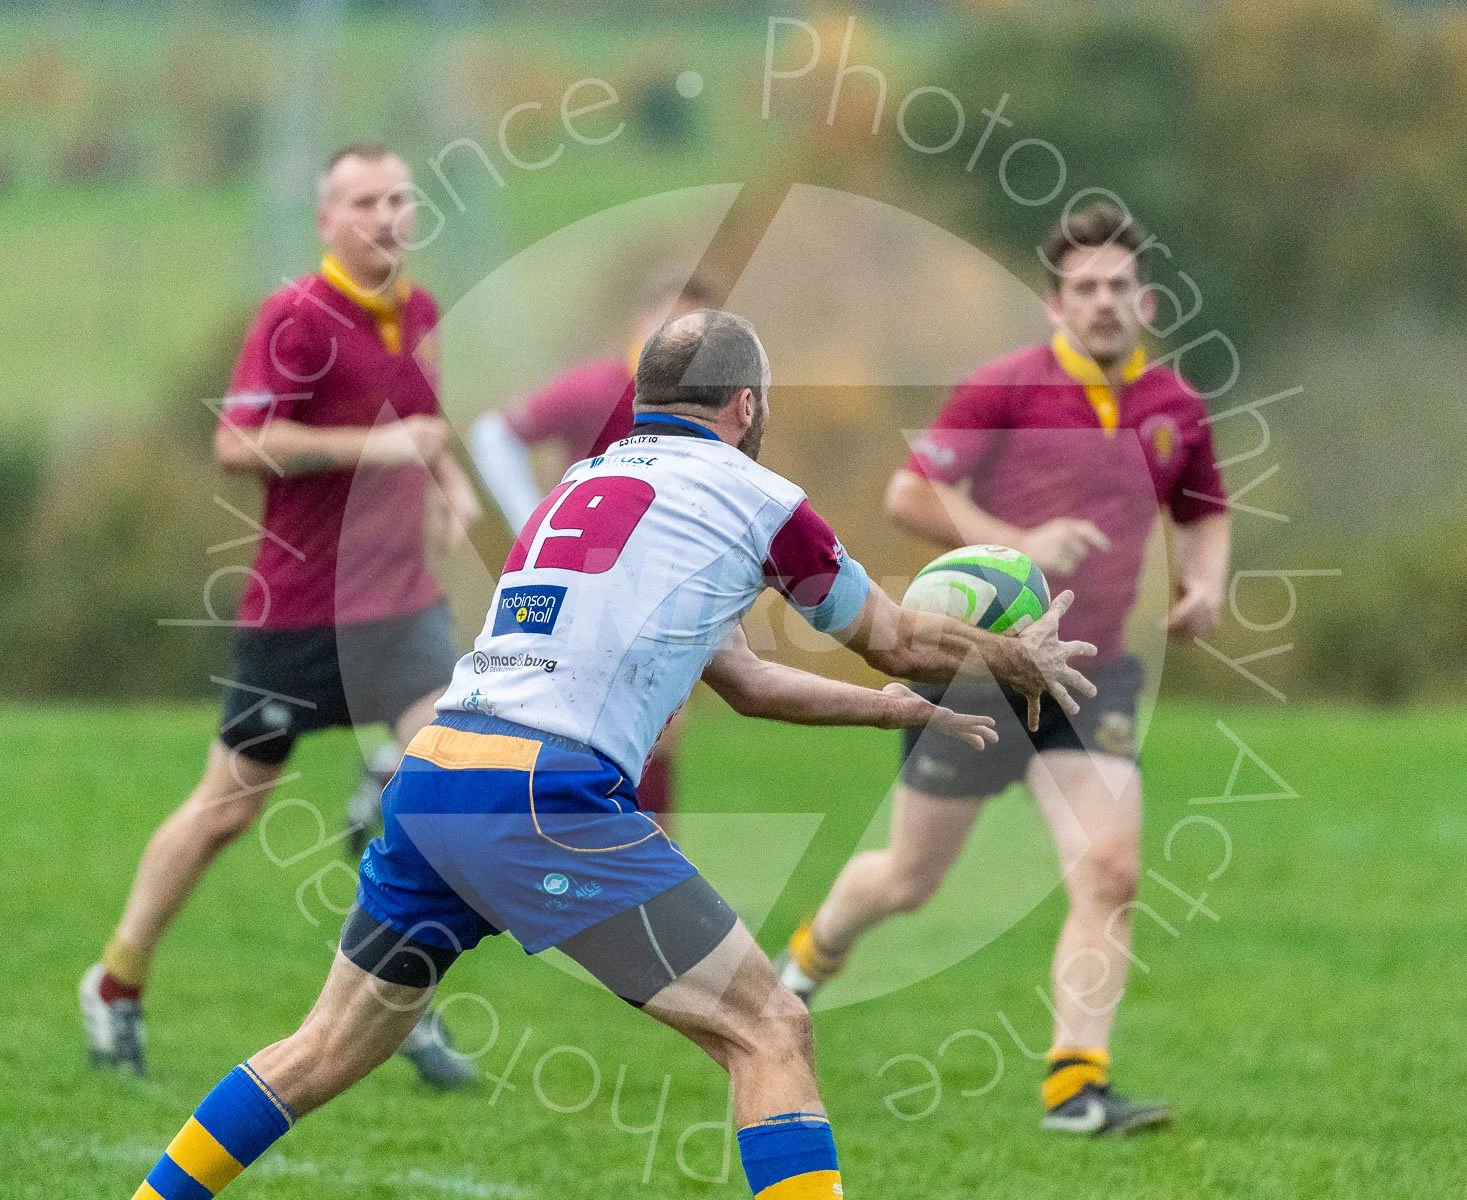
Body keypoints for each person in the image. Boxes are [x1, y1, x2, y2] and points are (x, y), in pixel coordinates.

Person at [127, 309, 1096, 1200]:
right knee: (770, 1028)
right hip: (543, 798)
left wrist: (895, 715)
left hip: (434, 783)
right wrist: (1002, 654)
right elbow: (893, 634)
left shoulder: (581, 488)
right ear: (747, 405)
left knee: (322, 1048)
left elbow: (748, 681)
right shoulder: (759, 499)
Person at [776, 202, 1232, 1136]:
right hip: (980, 677)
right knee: (908, 879)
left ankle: (1075, 1089)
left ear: (1143, 300)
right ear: (1056, 303)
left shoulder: (1174, 407)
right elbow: (911, 494)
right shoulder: (1004, 388)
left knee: (1108, 870)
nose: (1103, 303)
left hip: (1092, 675)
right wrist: (1017, 543)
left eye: (1117, 287)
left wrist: (1206, 585)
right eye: (1084, 288)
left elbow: (1204, 505)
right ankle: (810, 958)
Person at [81, 142, 482, 1089]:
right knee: (227, 808)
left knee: (448, 785)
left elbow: (421, 428)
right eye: (366, 202)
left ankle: (402, 1006)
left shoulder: (418, 311)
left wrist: (448, 483)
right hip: (301, 614)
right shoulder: (295, 317)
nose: (389, 217)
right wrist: (380, 447)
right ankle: (117, 981)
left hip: (401, 608)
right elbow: (239, 442)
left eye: (400, 199)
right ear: (327, 220)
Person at [465, 272, 715, 825]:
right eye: (671, 327)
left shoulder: (706, 411)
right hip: (582, 592)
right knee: (583, 732)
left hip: (656, 589)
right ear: (641, 327)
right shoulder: (603, 390)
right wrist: (534, 522)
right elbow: (492, 434)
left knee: (659, 735)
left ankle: (647, 873)